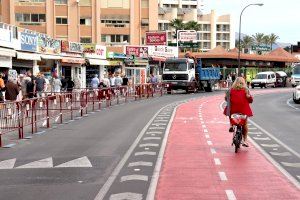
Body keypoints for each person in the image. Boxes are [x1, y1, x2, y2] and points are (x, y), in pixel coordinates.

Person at [223, 77, 253, 147]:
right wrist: (248, 97)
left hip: (233, 111)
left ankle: (231, 125)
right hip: (243, 111)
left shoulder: (230, 90)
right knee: (245, 125)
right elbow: (250, 101)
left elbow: (226, 99)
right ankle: (245, 141)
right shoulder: (246, 90)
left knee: (229, 110)